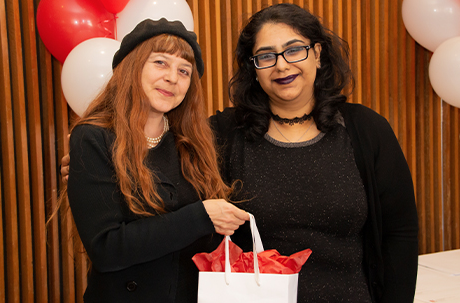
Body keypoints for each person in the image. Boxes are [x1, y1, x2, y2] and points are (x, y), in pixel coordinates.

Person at [62, 4, 419, 302]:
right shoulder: (222, 134)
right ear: (253, 69)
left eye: (294, 49)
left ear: (318, 54)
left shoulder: (365, 130)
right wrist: (90, 170)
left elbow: (400, 233)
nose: (282, 65)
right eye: (266, 56)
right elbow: (155, 161)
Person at [59, 18, 249, 303]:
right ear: (132, 66)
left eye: (184, 70)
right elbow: (106, 249)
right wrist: (200, 216)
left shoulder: (194, 144)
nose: (173, 77)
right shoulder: (93, 138)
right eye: (160, 62)